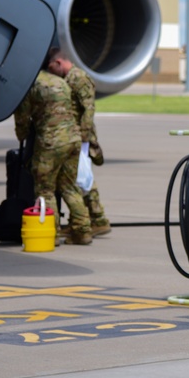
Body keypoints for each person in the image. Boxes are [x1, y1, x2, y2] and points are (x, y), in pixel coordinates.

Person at [13, 66, 93, 245]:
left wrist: (22, 135)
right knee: (69, 187)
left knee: (44, 189)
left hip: (52, 142)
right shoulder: (59, 81)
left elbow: (23, 118)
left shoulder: (29, 84)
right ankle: (82, 232)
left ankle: (51, 233)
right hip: (73, 139)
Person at [45, 47, 111, 237]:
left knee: (82, 177)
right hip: (72, 135)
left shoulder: (79, 78)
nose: (51, 73)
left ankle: (97, 219)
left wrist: (83, 136)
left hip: (80, 136)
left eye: (51, 68)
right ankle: (90, 219)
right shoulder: (67, 79)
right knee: (78, 177)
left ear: (58, 63)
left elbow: (88, 109)